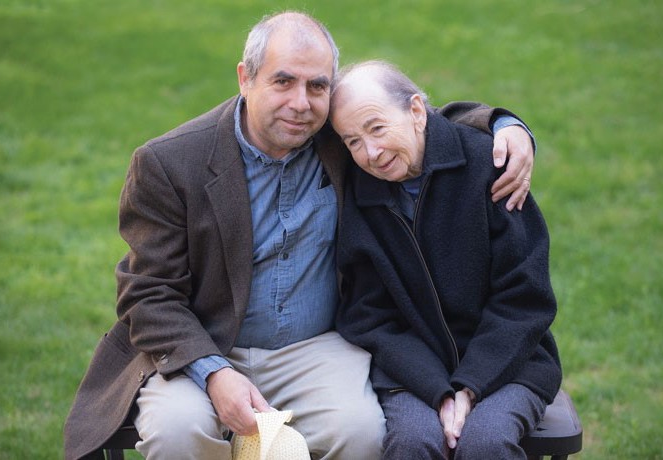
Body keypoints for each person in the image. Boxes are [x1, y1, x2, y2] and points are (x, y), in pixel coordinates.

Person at [63, 12, 538, 460]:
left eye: (317, 86)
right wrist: (213, 373)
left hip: (316, 348)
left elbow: (416, 120)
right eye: (283, 81)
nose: (300, 103)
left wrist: (504, 124)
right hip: (204, 345)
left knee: (364, 431)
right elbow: (146, 294)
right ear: (245, 78)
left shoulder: (343, 140)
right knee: (178, 432)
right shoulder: (169, 164)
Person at [331, 60, 561, 459]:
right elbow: (368, 315)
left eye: (377, 128)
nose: (371, 152)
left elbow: (524, 298)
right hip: (412, 371)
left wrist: (470, 386)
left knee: (485, 443)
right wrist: (437, 389)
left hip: (509, 361)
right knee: (413, 442)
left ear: (417, 112)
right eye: (352, 141)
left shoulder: (489, 166)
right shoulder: (359, 195)